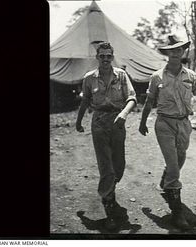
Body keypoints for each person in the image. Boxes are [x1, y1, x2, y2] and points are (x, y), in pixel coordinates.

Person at [138, 35, 196, 230]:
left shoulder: (190, 75)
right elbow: (149, 101)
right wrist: (142, 122)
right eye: (172, 50)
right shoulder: (157, 77)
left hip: (184, 124)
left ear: (183, 52)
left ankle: (166, 179)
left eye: (179, 49)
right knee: (174, 166)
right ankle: (177, 213)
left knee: (180, 159)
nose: (176, 53)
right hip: (164, 123)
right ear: (167, 53)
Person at [76, 42, 137, 230]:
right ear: (97, 57)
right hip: (99, 123)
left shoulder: (122, 75)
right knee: (106, 166)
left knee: (119, 165)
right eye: (102, 56)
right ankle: (108, 202)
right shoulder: (89, 78)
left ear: (113, 56)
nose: (105, 59)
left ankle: (109, 187)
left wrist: (124, 113)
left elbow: (132, 98)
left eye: (108, 56)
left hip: (118, 122)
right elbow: (85, 100)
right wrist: (78, 122)